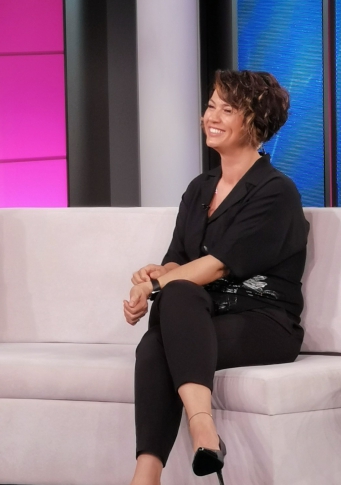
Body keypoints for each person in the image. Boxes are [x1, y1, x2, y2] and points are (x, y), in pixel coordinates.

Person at [124, 71, 309, 485]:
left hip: (265, 322)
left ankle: (190, 438)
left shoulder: (276, 191)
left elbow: (220, 265)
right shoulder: (199, 188)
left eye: (227, 110)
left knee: (159, 336)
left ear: (255, 122)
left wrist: (156, 286)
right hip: (203, 313)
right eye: (211, 106)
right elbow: (178, 261)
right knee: (170, 309)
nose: (212, 117)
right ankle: (158, 466)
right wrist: (157, 273)